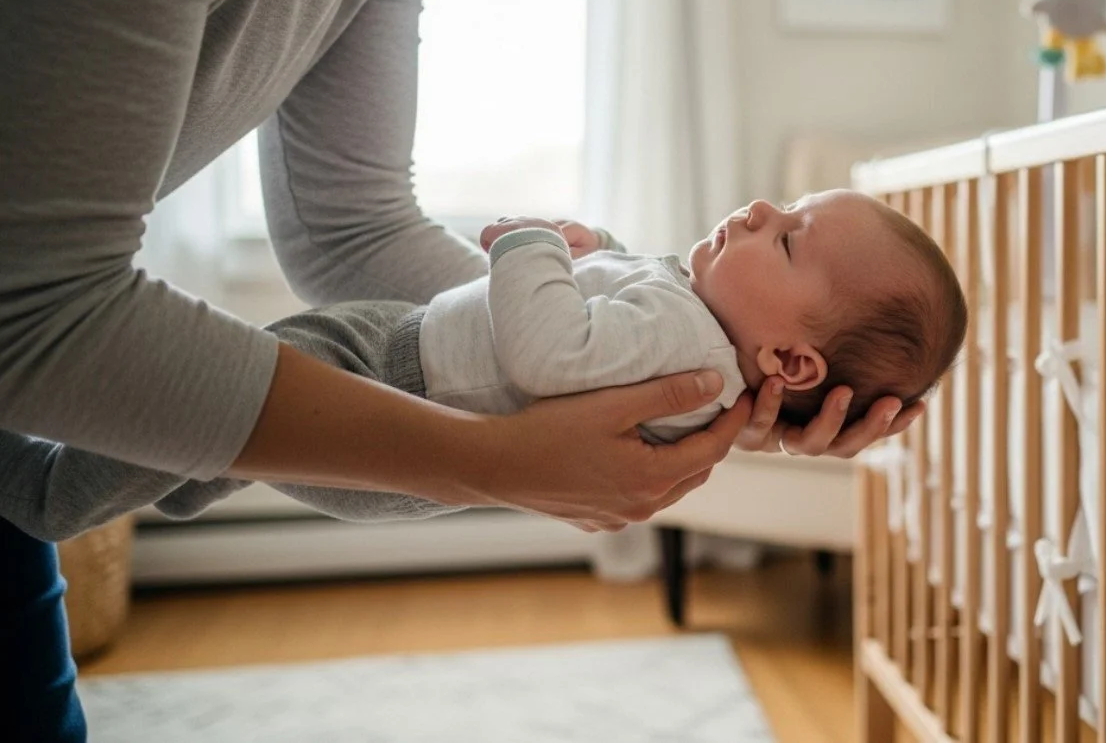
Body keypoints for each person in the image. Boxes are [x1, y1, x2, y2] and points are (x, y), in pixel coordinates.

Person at [0, 0, 920, 740]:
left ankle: (105, 482)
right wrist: (497, 458)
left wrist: (726, 404)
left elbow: (348, 228)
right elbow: (37, 309)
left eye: (789, 235)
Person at [4, 191, 969, 540]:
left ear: (792, 360)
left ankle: (49, 492)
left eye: (788, 238)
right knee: (218, 432)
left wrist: (530, 244)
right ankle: (166, 475)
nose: (760, 210)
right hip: (411, 361)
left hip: (405, 392)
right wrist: (600, 249)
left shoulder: (693, 353)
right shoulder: (693, 316)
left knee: (249, 376)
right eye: (787, 206)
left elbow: (552, 354)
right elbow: (621, 309)